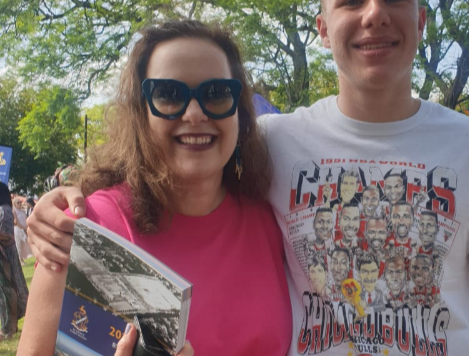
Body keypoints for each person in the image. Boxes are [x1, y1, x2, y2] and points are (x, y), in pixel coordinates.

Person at [27, 0, 469, 356]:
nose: (374, 13)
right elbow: (173, 157)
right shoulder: (277, 141)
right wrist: (58, 205)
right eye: (352, 0)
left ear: (421, 19)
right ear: (323, 28)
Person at [18, 21, 292, 355]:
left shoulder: (271, 220)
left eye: (217, 93)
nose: (194, 114)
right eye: (168, 94)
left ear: (240, 111)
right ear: (140, 112)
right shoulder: (83, 230)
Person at [0, 182, 28, 340]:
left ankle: (7, 329)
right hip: (3, 256)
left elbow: (6, 233)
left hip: (6, 258)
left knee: (8, 291)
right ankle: (10, 327)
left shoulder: (4, 210)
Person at [12, 198, 33, 263]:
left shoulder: (22, 211)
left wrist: (27, 227)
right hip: (18, 230)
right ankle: (21, 260)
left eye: (20, 202)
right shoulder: (14, 211)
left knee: (28, 242)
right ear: (15, 204)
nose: (20, 204)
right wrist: (23, 227)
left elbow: (26, 219)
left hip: (25, 228)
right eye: (18, 203)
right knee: (19, 244)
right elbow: (15, 222)